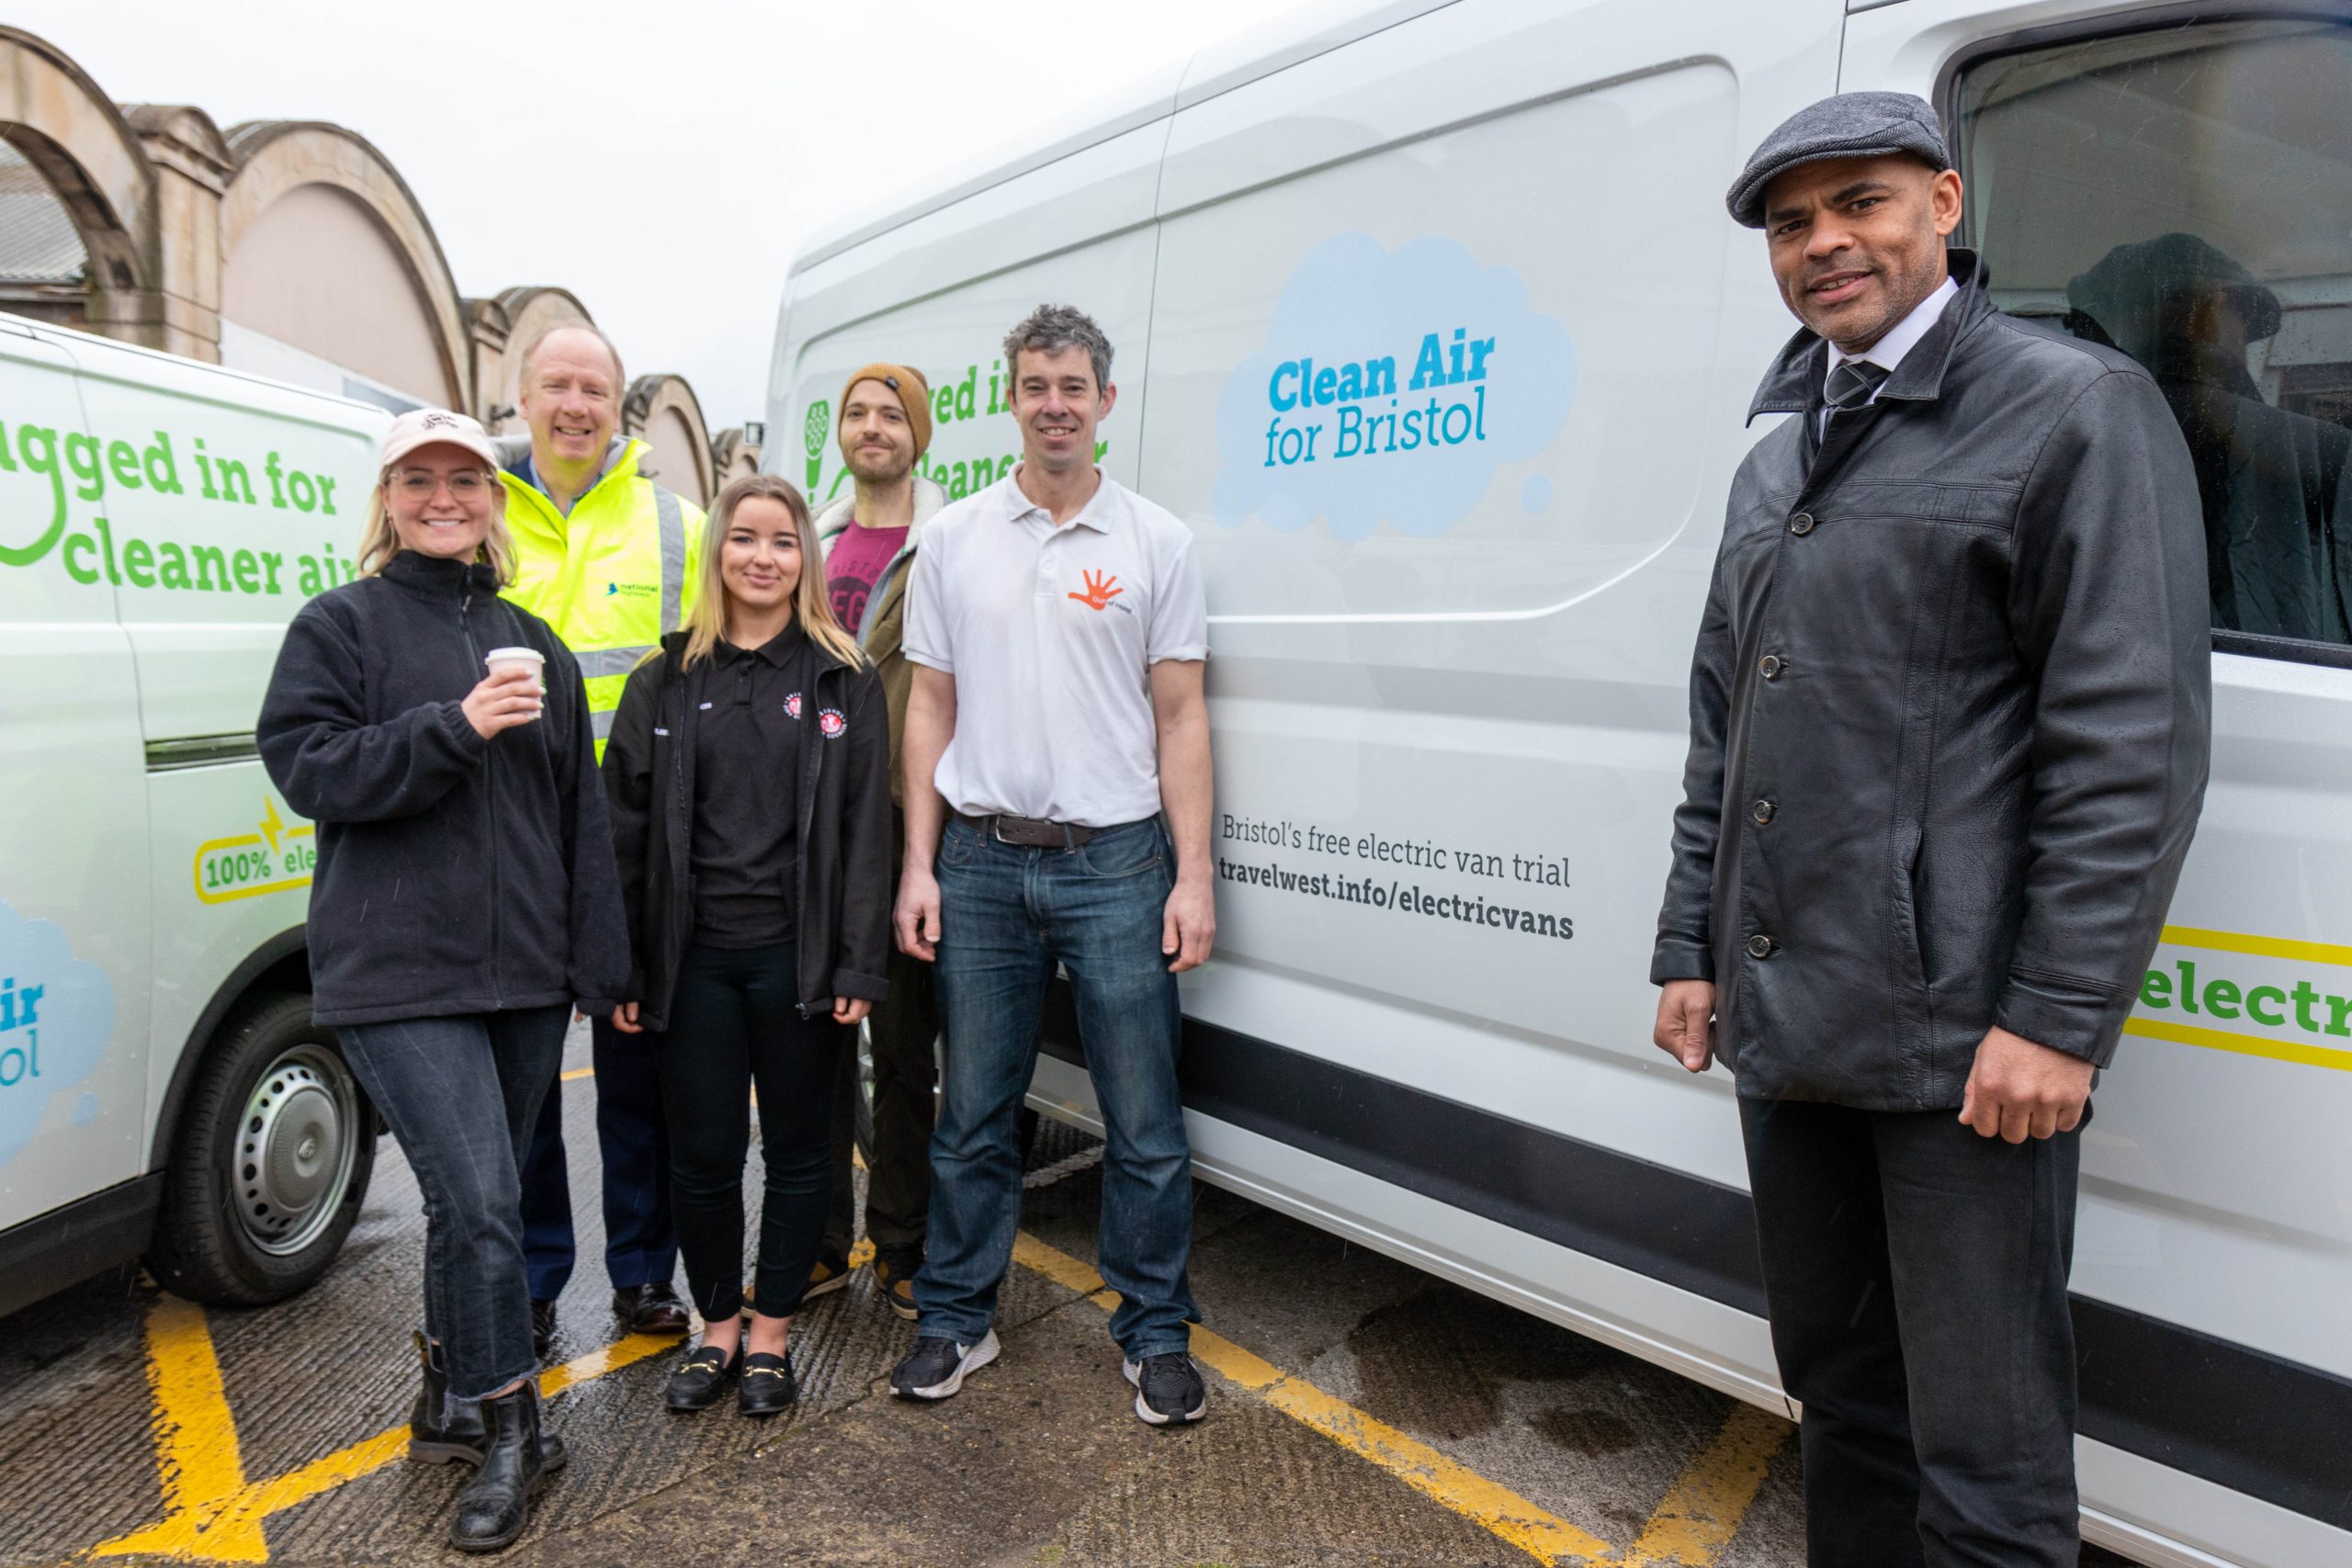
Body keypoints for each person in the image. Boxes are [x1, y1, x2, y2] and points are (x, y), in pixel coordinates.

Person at [1652, 95, 2210, 1566]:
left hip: (1966, 1044)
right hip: (1789, 1012)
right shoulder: (1777, 454)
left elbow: (2129, 745)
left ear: (1945, 204)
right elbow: (1729, 731)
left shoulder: (2075, 407)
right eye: (1792, 223)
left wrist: (2060, 1017)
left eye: (1864, 203)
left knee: (1986, 1452)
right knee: (1841, 1398)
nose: (1826, 242)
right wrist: (1689, 947)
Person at [258, 408, 628, 1552]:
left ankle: (442, 1394)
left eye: (464, 479)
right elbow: (307, 769)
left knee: (482, 1203)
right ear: (387, 499)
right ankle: (515, 1432)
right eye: (417, 480)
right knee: (479, 1203)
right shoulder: (339, 627)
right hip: (397, 970)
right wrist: (455, 726)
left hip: (522, 975)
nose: (443, 497)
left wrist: (598, 967)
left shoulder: (534, 640)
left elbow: (581, 821)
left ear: (491, 500)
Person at [888, 304, 1217, 1427]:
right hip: (979, 863)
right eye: (1035, 386)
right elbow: (928, 706)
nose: (1055, 405)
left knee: (1145, 1120)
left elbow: (1181, 719)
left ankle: (1156, 1334)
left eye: (1074, 387)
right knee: (973, 1114)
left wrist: (1193, 875)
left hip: (1118, 862)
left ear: (1106, 403)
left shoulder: (1154, 544)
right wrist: (918, 865)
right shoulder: (956, 539)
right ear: (1013, 399)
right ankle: (955, 1320)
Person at [603, 473, 893, 1416]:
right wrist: (627, 967)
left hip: (797, 961)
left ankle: (772, 1334)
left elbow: (863, 834)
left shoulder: (843, 681)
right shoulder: (666, 680)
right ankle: (716, 1329)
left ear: (804, 556)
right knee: (703, 1155)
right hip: (693, 964)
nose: (761, 557)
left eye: (781, 540)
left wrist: (856, 960)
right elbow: (624, 835)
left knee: (805, 1152)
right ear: (716, 552)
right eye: (744, 538)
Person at [497, 323, 708, 1349]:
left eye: (595, 387)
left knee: (637, 1080)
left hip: (633, 848)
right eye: (557, 384)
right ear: (522, 397)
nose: (576, 404)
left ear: (618, 406)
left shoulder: (679, 524)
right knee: (527, 1084)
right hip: (514, 842)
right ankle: (534, 1283)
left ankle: (643, 1276)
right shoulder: (475, 516)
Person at [809, 364, 949, 1317]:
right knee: (812, 1044)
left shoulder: (952, 540)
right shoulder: (809, 540)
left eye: (890, 414)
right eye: (857, 413)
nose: (872, 428)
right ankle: (817, 1243)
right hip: (811, 824)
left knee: (904, 1050)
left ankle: (901, 1241)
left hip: (904, 818)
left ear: (918, 433)